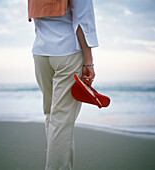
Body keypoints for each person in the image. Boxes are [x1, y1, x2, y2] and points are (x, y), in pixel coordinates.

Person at [29, 0, 98, 169]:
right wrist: (89, 61)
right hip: (68, 51)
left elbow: (37, 19)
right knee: (61, 121)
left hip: (40, 53)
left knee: (52, 116)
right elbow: (82, 19)